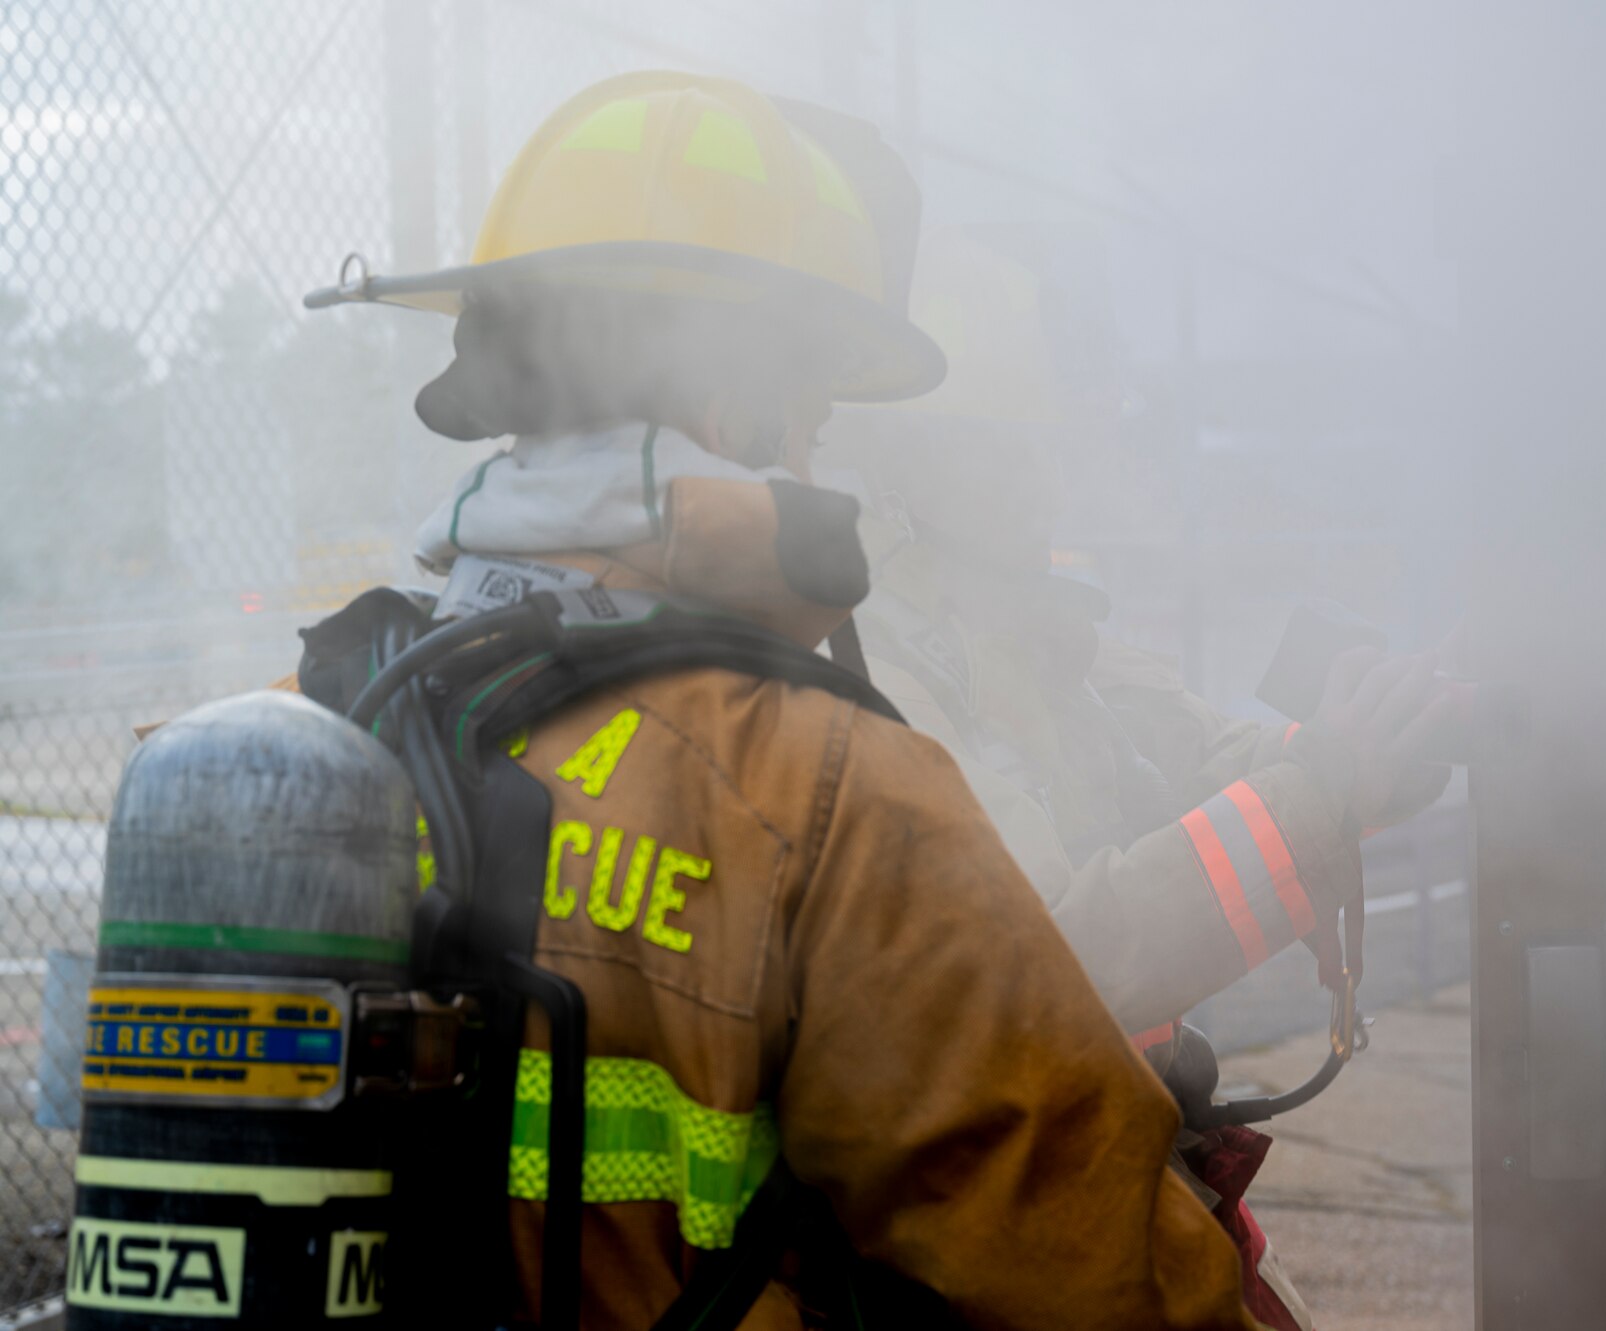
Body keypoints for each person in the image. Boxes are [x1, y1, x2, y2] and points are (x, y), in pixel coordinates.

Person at [307, 73, 1266, 1331]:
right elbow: (1086, 1266)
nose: (820, 465)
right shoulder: (831, 787)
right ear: (730, 410)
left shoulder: (303, 738)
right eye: (811, 419)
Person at [819, 228, 1454, 1331]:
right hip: (997, 1219)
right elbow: (1061, 956)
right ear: (923, 455)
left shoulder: (1024, 618)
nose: (1053, 478)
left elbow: (1204, 761)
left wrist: (1366, 754)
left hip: (1097, 1164)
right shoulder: (876, 661)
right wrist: (1322, 792)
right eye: (1022, 448)